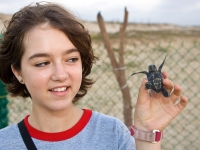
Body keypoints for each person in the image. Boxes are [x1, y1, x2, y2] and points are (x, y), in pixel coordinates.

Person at [0, 2, 188, 150]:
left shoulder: (114, 134)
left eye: (71, 59)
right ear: (17, 71)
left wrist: (147, 134)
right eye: (42, 63)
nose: (60, 74)